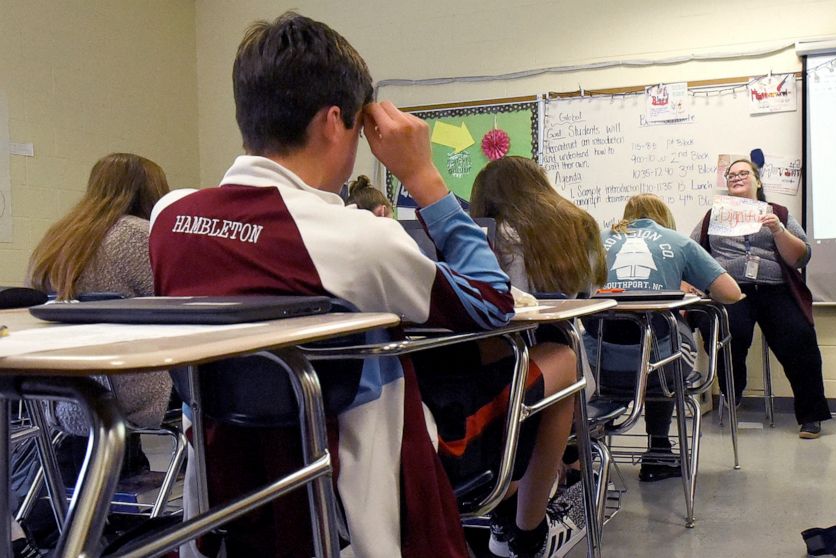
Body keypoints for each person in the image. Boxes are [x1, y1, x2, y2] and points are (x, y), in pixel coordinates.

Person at [148, 13, 574, 558]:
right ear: (334, 123)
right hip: (359, 478)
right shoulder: (353, 236)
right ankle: (524, 532)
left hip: (233, 490)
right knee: (552, 361)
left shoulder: (170, 218)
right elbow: (490, 301)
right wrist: (424, 178)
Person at [23, 153, 174, 553]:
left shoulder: (58, 238)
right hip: (133, 388)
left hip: (61, 392)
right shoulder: (140, 235)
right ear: (151, 191)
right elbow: (180, 299)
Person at [467, 155, 601, 556]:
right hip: (564, 370)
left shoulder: (486, 237)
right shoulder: (580, 226)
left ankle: (509, 515)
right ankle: (528, 521)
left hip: (491, 370)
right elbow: (590, 296)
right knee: (557, 389)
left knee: (514, 420)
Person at [589, 194, 741, 481]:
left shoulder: (596, 239)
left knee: (648, 346)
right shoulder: (677, 241)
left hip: (600, 372)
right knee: (667, 346)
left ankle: (590, 447)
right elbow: (731, 293)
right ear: (664, 217)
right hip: (661, 373)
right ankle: (658, 449)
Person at [691, 158, 832, 439]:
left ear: (758, 181)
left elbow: (801, 256)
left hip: (774, 288)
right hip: (730, 289)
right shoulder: (712, 215)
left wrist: (778, 229)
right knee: (729, 332)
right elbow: (691, 251)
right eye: (731, 175)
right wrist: (692, 283)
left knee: (799, 336)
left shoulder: (778, 212)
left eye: (744, 173)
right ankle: (734, 389)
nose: (737, 177)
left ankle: (811, 415)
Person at [469, 155, 606, 295]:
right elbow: (589, 290)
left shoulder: (491, 233)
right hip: (569, 313)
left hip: (508, 314)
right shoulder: (580, 223)